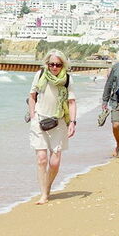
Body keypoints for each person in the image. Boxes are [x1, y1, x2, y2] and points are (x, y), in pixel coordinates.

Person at [28, 50, 77, 205]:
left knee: (54, 163)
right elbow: (32, 96)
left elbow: (72, 102)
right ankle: (44, 194)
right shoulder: (40, 75)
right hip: (40, 120)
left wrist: (73, 122)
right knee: (42, 159)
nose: (54, 67)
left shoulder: (67, 79)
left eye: (58, 64)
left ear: (63, 65)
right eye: (51, 64)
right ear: (47, 64)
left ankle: (47, 186)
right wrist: (33, 115)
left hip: (59, 122)